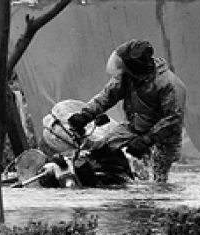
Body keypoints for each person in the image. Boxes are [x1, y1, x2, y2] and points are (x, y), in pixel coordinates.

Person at [68, 39, 186, 183]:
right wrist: (85, 115)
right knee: (102, 151)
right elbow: (107, 96)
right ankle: (116, 181)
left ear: (135, 67)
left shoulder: (169, 84)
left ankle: (152, 190)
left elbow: (173, 120)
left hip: (163, 138)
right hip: (134, 127)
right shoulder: (127, 77)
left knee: (157, 178)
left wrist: (146, 140)